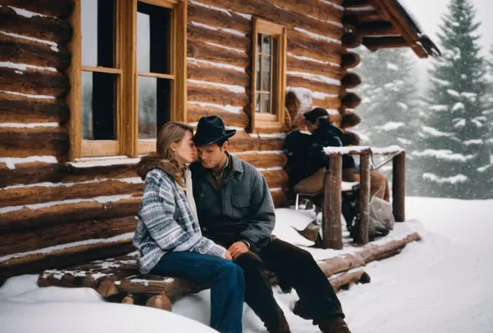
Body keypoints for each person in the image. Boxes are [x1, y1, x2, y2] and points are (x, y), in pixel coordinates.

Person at [189, 116, 351, 333]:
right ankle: (277, 324)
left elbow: (265, 217)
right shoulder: (192, 176)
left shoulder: (250, 175)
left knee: (301, 259)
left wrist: (247, 240)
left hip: (253, 237)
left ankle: (334, 323)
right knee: (250, 267)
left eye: (209, 151)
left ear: (224, 146)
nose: (203, 156)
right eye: (199, 151)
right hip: (217, 243)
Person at [133, 121, 244, 333]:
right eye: (191, 144)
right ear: (173, 146)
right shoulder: (157, 177)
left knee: (236, 270)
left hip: (175, 251)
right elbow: (164, 232)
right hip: (158, 254)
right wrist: (210, 248)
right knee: (226, 270)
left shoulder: (182, 174)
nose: (196, 149)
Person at [302, 108, 390, 202]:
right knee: (378, 180)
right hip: (341, 172)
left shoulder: (323, 135)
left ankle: (371, 210)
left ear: (316, 122)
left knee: (379, 179)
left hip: (344, 171)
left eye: (308, 124)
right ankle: (369, 211)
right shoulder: (333, 132)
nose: (307, 127)